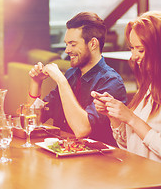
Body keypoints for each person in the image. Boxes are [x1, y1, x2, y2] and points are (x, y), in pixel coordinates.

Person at [92, 11, 161, 172]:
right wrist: (114, 116)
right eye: (132, 48)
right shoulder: (150, 84)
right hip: (139, 176)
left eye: (140, 50)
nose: (133, 56)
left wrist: (131, 118)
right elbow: (128, 145)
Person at [28, 12, 127, 146]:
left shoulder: (111, 82)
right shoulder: (71, 74)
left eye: (73, 44)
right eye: (67, 44)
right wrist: (36, 82)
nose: (67, 50)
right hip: (63, 154)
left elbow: (82, 129)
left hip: (97, 161)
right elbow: (33, 119)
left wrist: (61, 81)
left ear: (93, 44)